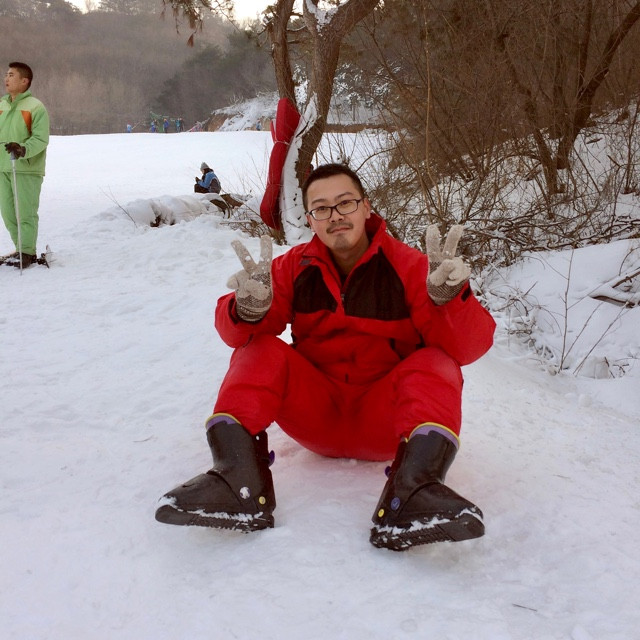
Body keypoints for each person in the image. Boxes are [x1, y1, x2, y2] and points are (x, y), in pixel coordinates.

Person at [156, 163, 496, 551]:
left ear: (366, 207)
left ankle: (415, 491)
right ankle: (236, 482)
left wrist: (451, 302)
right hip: (316, 417)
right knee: (259, 347)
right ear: (310, 219)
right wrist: (245, 309)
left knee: (436, 361)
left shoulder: (413, 268)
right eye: (321, 208)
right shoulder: (294, 267)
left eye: (345, 202)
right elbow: (234, 335)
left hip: (385, 423)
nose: (335, 215)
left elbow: (467, 349)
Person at [0, 62, 49, 269]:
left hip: (26, 167)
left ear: (24, 81)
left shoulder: (35, 107)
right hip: (3, 166)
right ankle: (20, 248)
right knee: (8, 213)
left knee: (25, 211)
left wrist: (23, 149)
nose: (6, 78)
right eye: (6, 75)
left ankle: (27, 252)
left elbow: (41, 138)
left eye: (11, 75)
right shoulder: (2, 105)